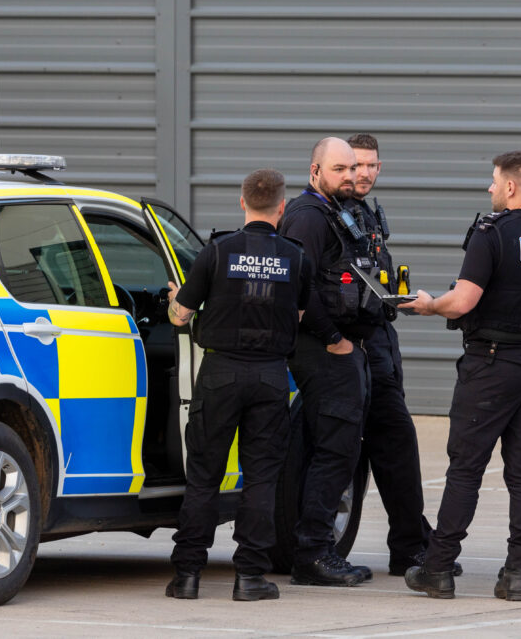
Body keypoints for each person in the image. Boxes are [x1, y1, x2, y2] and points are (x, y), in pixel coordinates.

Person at [401, 150, 521, 602]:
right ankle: (518, 572)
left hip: (491, 365)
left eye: (494, 182)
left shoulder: (492, 234)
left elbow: (462, 302)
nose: (490, 189)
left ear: (512, 187)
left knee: (465, 469)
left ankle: (438, 569)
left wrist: (427, 304)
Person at [165, 168, 310, 602]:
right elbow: (298, 317)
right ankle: (249, 578)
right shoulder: (296, 256)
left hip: (220, 373)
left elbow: (179, 317)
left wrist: (178, 297)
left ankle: (188, 575)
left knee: (204, 476)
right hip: (269, 376)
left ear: (241, 203)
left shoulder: (217, 251)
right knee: (261, 479)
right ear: (282, 208)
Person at [345, 133, 462, 578]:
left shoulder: (365, 214)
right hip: (354, 349)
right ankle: (411, 544)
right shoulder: (325, 215)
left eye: (371, 165)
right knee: (392, 443)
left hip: (380, 344)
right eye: (355, 165)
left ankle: (411, 541)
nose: (364, 173)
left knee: (394, 447)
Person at [277, 137, 374, 586]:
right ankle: (314, 553)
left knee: (337, 450)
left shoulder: (338, 212)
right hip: (321, 350)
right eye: (339, 169)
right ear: (315, 171)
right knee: (334, 451)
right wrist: (334, 338)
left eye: (352, 168)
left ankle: (315, 548)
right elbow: (295, 285)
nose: (350, 176)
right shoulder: (307, 216)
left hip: (342, 347)